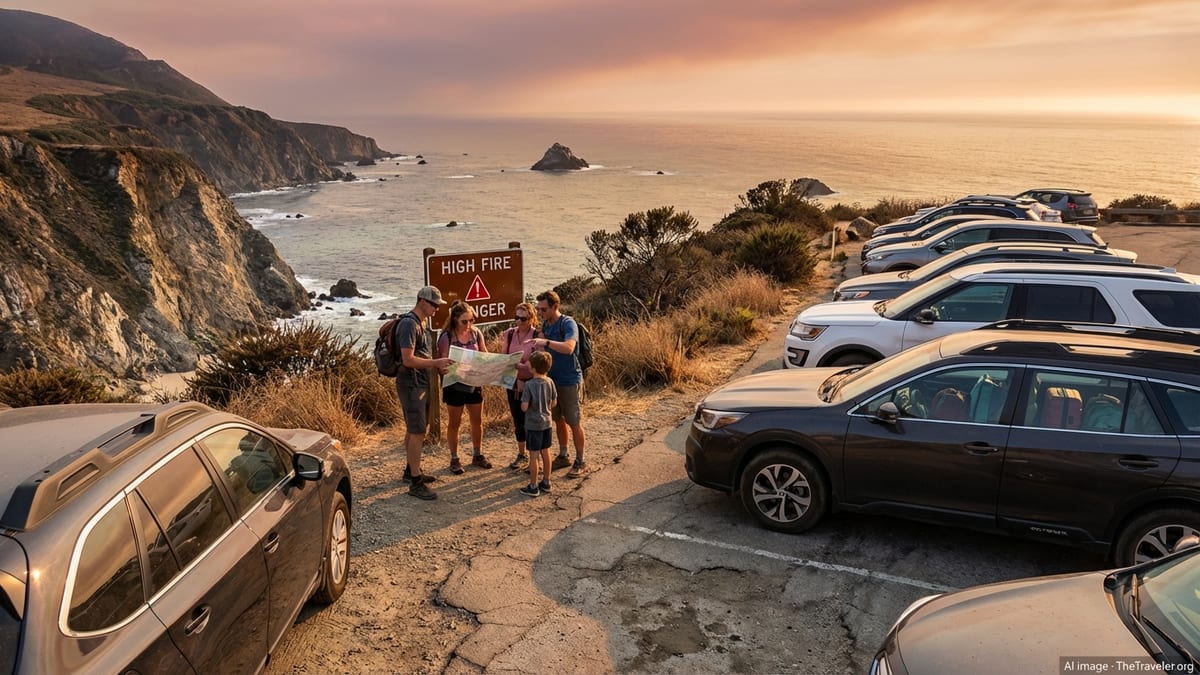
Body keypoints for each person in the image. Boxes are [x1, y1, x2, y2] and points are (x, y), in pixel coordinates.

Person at [396, 285, 453, 500]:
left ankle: (411, 471)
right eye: (434, 305)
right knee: (418, 430)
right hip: (411, 384)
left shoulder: (421, 322)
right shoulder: (410, 324)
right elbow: (407, 359)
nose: (436, 309)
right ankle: (415, 482)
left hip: (418, 382)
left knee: (415, 429)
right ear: (422, 301)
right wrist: (436, 362)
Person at [530, 290, 587, 478]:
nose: (540, 313)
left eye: (544, 309)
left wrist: (546, 341)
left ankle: (580, 461)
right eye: (538, 309)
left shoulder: (567, 323)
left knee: (574, 421)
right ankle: (564, 455)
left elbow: (569, 348)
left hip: (569, 380)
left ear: (556, 307)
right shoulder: (545, 324)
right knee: (558, 420)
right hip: (551, 381)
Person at [437, 300, 491, 474]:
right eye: (464, 321)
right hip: (454, 385)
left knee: (477, 421)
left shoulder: (476, 333)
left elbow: (484, 354)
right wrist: (449, 368)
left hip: (473, 383)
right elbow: (441, 364)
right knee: (455, 422)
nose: (468, 325)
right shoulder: (446, 337)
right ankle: (454, 457)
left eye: (471, 320)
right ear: (454, 320)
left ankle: (477, 454)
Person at [502, 301, 541, 470]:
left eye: (523, 319)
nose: (519, 322)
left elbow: (540, 363)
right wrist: (514, 371)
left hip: (532, 384)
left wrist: (524, 368)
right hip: (513, 384)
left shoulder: (538, 335)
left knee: (533, 421)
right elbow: (504, 358)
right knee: (518, 420)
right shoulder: (509, 334)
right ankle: (522, 454)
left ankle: (536, 458)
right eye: (516, 318)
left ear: (531, 318)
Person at [519, 351, 556, 496]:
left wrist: (524, 400)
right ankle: (546, 481)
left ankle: (533, 485)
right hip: (547, 422)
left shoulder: (529, 385)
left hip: (533, 424)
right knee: (546, 451)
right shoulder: (550, 382)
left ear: (533, 368)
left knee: (533, 455)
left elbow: (524, 407)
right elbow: (554, 402)